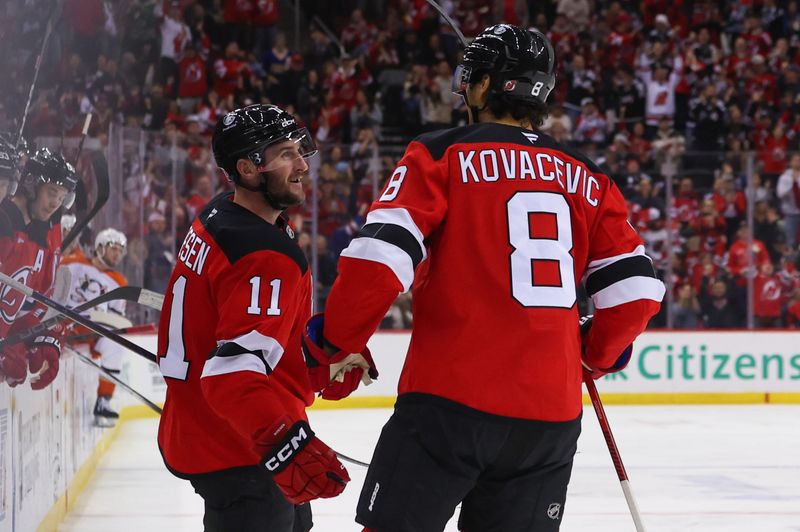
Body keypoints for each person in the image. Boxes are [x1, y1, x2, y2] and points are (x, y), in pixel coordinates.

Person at [309, 25, 665, 531]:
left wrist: (337, 339)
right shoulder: (591, 177)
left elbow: (378, 257)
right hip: (550, 418)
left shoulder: (440, 153)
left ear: (481, 87)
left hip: (448, 403)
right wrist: (594, 352)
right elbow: (635, 293)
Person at [156, 104, 354, 532]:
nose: (303, 164)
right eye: (285, 154)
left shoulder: (220, 213)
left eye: (299, 150)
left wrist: (317, 363)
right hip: (241, 448)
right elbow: (232, 374)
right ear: (247, 168)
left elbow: (241, 335)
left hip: (206, 432)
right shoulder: (263, 254)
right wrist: (287, 444)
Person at [0, 148, 78, 389]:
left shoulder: (44, 228)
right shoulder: (7, 225)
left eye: (61, 196)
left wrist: (44, 337)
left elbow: (36, 298)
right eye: (52, 193)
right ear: (32, 185)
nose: (55, 203)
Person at [62, 228, 130, 426]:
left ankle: (103, 401)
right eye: (113, 248)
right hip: (64, 322)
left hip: (91, 330)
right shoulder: (74, 262)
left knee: (115, 345)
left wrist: (112, 324)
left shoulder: (119, 282)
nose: (117, 253)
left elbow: (117, 318)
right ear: (100, 247)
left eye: (120, 250)